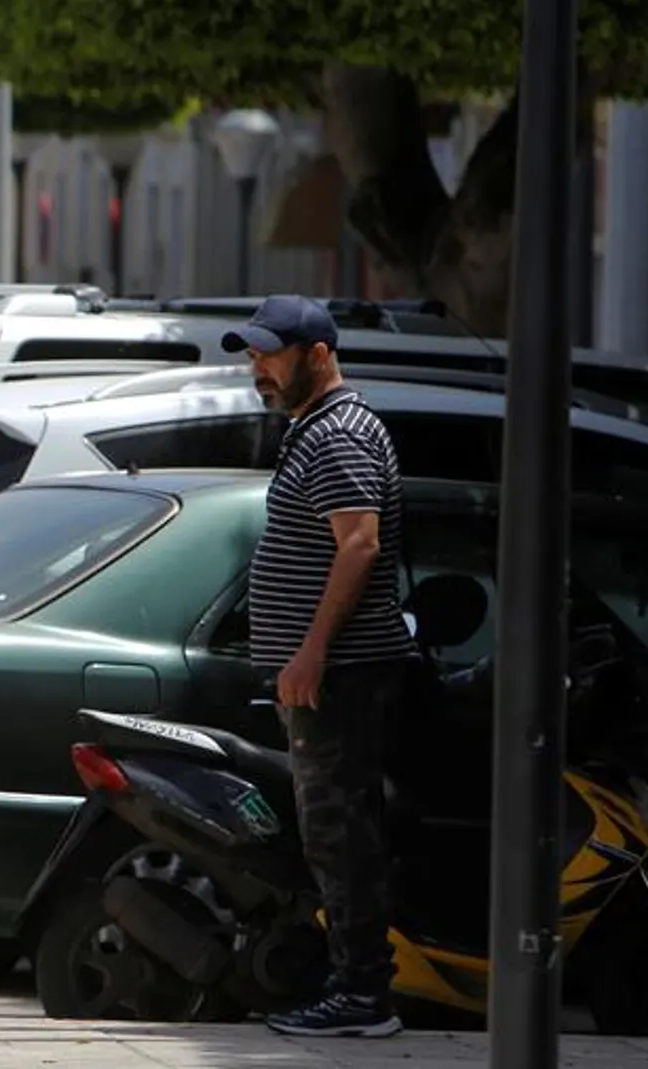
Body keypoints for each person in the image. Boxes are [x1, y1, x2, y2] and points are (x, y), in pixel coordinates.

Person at [222, 295, 417, 1038]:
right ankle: (354, 984)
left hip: (339, 677)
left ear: (320, 354)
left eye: (272, 354)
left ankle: (363, 994)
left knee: (340, 833)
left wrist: (311, 650)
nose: (259, 369)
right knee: (332, 830)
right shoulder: (318, 430)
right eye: (253, 356)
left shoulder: (338, 433)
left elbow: (359, 543)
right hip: (324, 674)